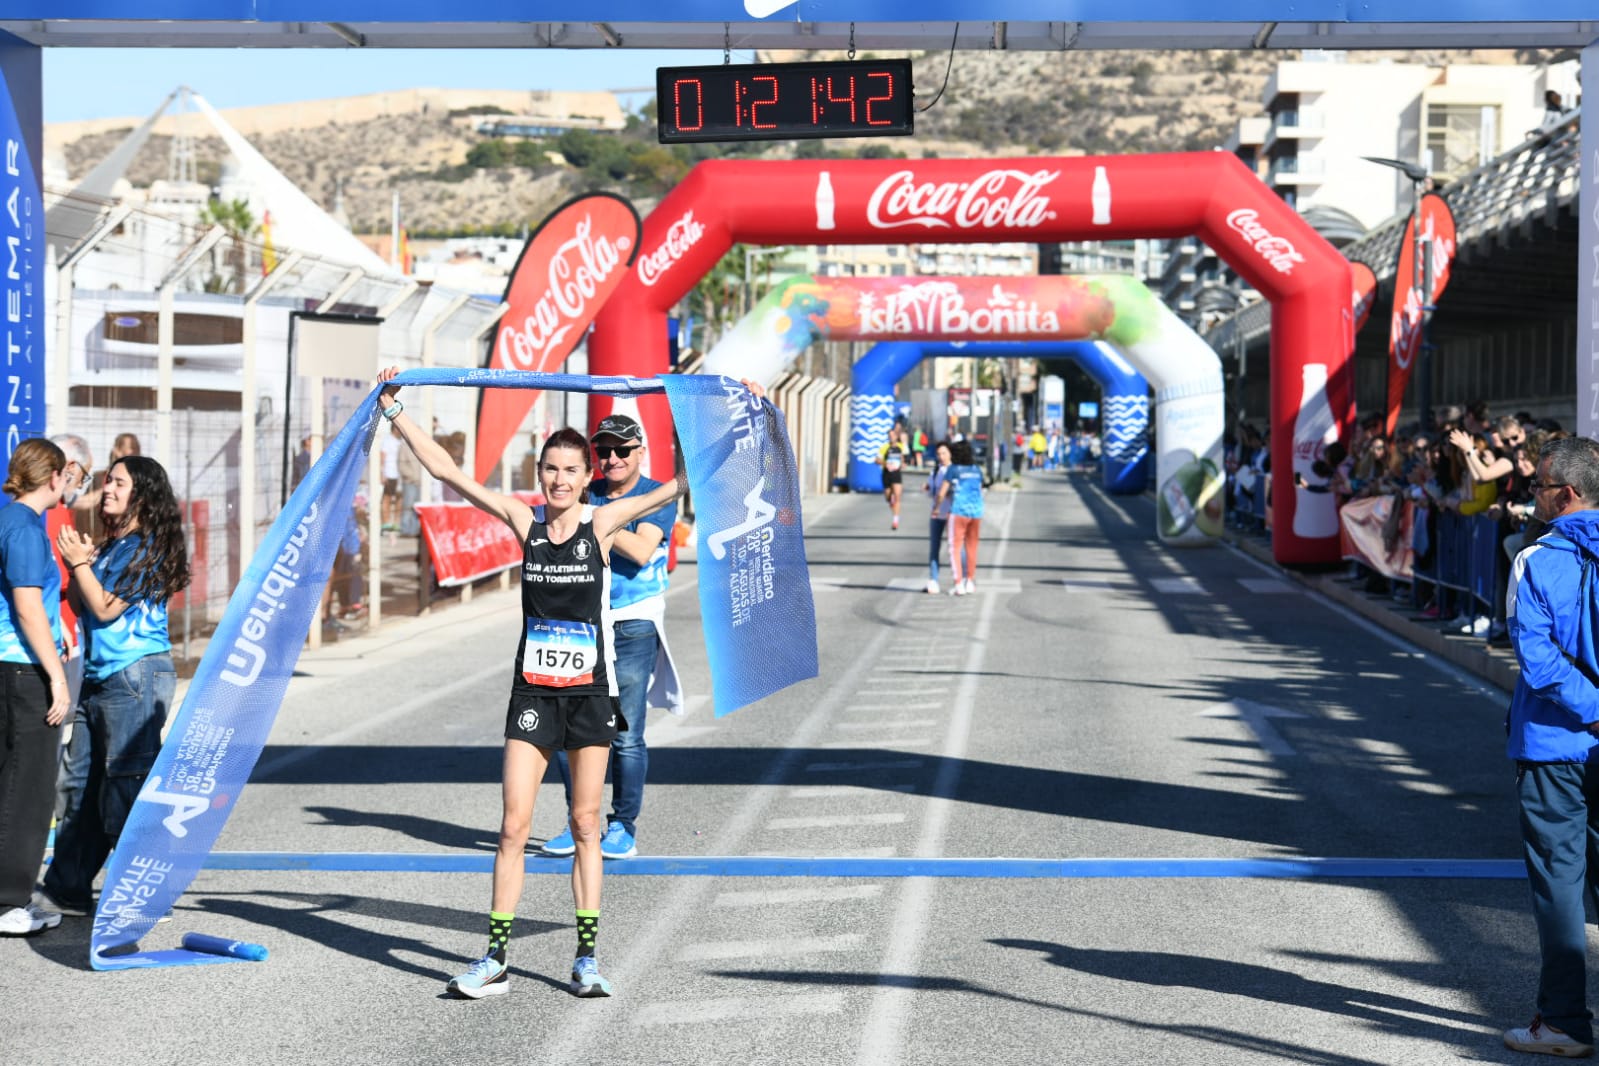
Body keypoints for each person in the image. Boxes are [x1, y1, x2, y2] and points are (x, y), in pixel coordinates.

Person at [375, 367, 722, 1000]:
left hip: (589, 695)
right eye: (550, 470)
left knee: (587, 824)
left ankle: (586, 960)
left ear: (588, 475)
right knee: (513, 827)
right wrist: (394, 410)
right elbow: (448, 473)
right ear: (540, 475)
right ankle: (495, 960)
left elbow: (681, 482)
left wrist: (721, 413)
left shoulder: (603, 521)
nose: (560, 480)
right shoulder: (521, 519)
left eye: (571, 470)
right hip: (532, 696)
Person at [37, 454, 188, 920]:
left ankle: (141, 893)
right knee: (78, 785)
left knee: (125, 786)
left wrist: (80, 563)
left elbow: (105, 609)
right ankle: (67, 887)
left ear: (142, 493)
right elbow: (84, 605)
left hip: (136, 676)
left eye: (118, 483)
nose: (107, 490)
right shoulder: (110, 546)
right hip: (100, 677)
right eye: (106, 483)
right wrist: (80, 563)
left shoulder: (150, 545)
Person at [541, 413, 679, 862]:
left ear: (640, 451)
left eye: (622, 449)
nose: (613, 458)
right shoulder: (588, 491)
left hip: (634, 623)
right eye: (604, 451)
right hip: (581, 624)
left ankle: (622, 826)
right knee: (568, 733)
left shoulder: (651, 495)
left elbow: (641, 552)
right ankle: (580, 821)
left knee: (624, 732)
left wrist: (598, 520)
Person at [1501, 436, 1599, 1058]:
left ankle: (1563, 1020)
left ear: (1567, 493)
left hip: (1553, 745)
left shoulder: (1534, 558)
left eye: (1537, 486)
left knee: (1561, 885)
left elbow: (1538, 663)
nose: (1528, 495)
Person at [0, 439, 71, 935]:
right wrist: (57, 675)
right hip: (24, 670)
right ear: (52, 477)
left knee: (8, 780)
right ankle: (9, 902)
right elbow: (26, 606)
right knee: (28, 789)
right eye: (67, 475)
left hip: (7, 667)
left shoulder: (8, 520)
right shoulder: (25, 529)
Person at [940, 440, 986, 596]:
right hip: (976, 511)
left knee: (955, 548)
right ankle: (970, 581)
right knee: (972, 547)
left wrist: (936, 508)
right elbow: (980, 489)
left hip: (958, 511)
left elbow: (942, 492)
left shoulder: (953, 469)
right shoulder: (976, 469)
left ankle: (958, 583)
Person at [924, 441, 953, 595]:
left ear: (950, 454)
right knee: (934, 548)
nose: (941, 457)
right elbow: (933, 493)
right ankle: (933, 580)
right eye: (939, 454)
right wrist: (928, 488)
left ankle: (961, 579)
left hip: (951, 513)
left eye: (944, 453)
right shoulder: (935, 471)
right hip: (936, 515)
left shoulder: (954, 470)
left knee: (954, 548)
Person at [878, 425, 910, 531]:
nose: (891, 437)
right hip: (887, 473)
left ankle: (895, 520)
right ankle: (890, 501)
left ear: (896, 436)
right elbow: (876, 460)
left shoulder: (901, 447)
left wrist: (903, 463)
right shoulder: (884, 447)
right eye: (889, 435)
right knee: (888, 497)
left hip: (896, 474)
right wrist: (885, 463)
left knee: (897, 496)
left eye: (893, 435)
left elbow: (905, 458)